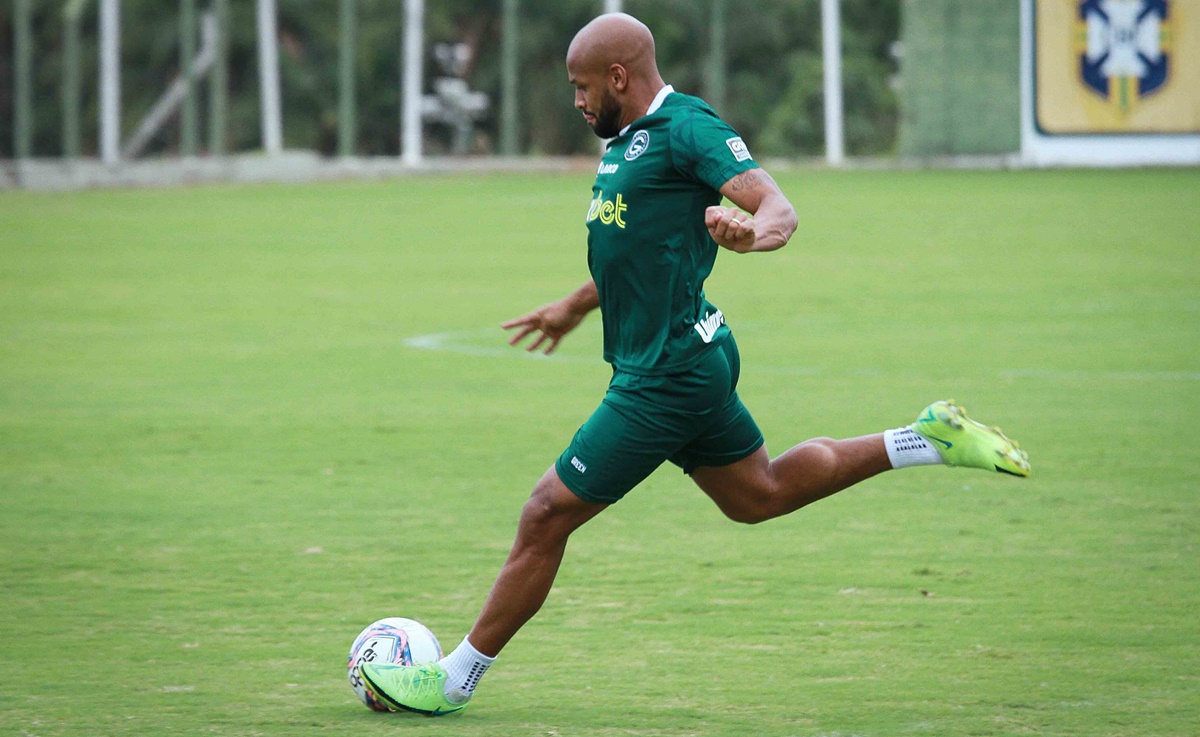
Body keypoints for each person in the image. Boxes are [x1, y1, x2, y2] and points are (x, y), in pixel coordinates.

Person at [359, 12, 1029, 716]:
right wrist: (576, 305)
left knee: (545, 512)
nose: (578, 101)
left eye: (582, 87)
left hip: (666, 376)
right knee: (758, 494)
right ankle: (926, 438)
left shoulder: (685, 129)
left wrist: (751, 234)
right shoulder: (627, 141)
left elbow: (777, 205)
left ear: (619, 76)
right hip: (690, 356)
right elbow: (643, 249)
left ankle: (451, 679)